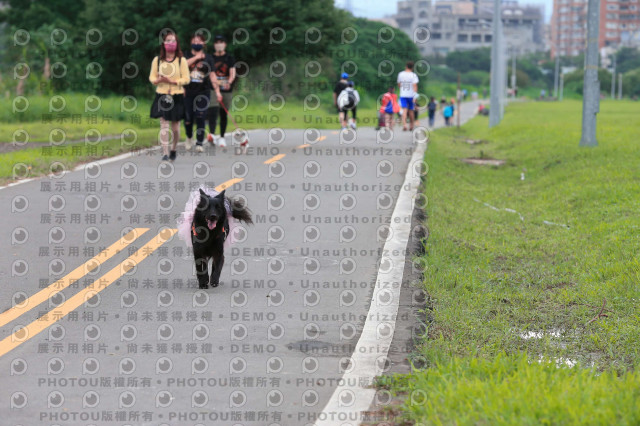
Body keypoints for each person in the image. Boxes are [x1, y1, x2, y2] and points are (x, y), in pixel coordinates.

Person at [149, 30, 190, 161]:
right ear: (163, 43)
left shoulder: (181, 61)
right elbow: (152, 77)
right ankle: (165, 152)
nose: (170, 43)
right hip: (162, 95)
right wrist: (158, 80)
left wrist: (174, 82)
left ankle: (173, 148)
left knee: (176, 128)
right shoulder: (157, 60)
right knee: (164, 124)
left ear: (177, 43)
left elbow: (187, 79)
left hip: (176, 96)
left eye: (173, 40)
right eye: (167, 40)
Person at [183, 34, 222, 153]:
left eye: (199, 41)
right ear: (190, 42)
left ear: (203, 44)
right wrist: (196, 58)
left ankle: (199, 142)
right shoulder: (185, 55)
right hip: (187, 91)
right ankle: (189, 137)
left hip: (203, 91)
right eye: (194, 40)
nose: (197, 42)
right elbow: (182, 66)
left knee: (201, 116)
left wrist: (217, 91)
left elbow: (212, 75)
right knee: (188, 118)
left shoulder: (209, 58)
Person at [207, 35, 236, 148]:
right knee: (213, 110)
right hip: (213, 87)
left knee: (223, 113)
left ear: (225, 44)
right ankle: (212, 135)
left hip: (226, 89)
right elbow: (210, 74)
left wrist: (229, 82)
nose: (219, 44)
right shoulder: (210, 58)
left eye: (221, 42)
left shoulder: (229, 58)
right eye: (217, 42)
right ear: (214, 45)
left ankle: (222, 137)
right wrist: (216, 87)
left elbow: (232, 72)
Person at [397, 61, 419, 131]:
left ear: (406, 66)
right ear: (412, 68)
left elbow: (399, 84)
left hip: (403, 95)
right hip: (411, 95)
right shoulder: (413, 75)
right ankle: (411, 125)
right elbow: (415, 86)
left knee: (404, 110)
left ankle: (404, 125)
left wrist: (402, 89)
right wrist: (415, 96)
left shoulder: (400, 74)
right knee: (411, 111)